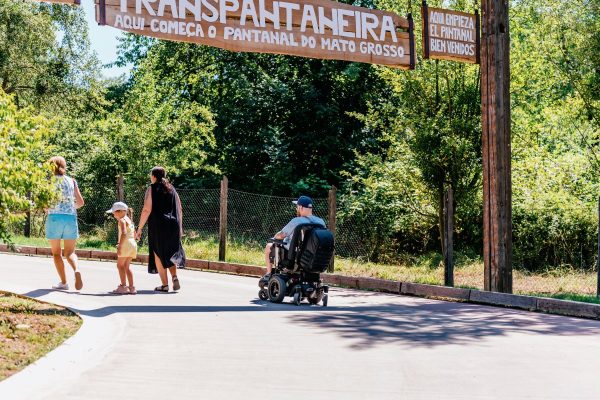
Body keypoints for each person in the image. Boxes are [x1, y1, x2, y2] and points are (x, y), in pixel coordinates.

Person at [135, 166, 185, 292]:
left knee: (158, 253)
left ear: (154, 176)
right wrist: (180, 227)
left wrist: (139, 228)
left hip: (158, 225)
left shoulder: (151, 188)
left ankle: (164, 285)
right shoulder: (172, 189)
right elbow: (179, 208)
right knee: (171, 252)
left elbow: (147, 209)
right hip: (173, 224)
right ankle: (174, 276)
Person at [260, 195, 325, 284]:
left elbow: (281, 235)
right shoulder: (321, 222)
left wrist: (274, 237)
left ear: (301, 207)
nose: (296, 209)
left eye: (297, 207)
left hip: (294, 254)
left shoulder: (297, 221)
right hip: (311, 255)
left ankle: (268, 273)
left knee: (269, 246)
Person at [46, 156, 85, 291]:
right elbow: (80, 203)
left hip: (54, 218)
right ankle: (77, 269)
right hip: (70, 218)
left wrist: (49, 208)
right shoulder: (72, 181)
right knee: (70, 252)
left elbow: (45, 204)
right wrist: (69, 207)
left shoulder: (49, 182)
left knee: (57, 253)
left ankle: (63, 283)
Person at [106, 202, 138, 295]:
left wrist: (120, 245)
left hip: (125, 244)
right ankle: (132, 288)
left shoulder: (122, 220)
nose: (113, 214)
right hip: (132, 244)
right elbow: (135, 235)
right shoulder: (129, 220)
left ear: (120, 212)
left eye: (114, 212)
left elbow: (124, 233)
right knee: (127, 267)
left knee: (120, 266)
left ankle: (123, 287)